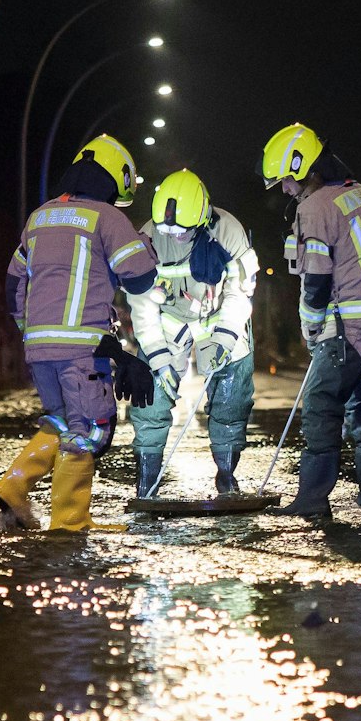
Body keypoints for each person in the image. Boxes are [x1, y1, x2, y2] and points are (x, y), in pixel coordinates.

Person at [0, 134, 159, 532]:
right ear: (115, 179)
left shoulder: (39, 216)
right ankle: (70, 521)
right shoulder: (108, 218)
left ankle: (13, 488)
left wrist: (31, 331)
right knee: (90, 429)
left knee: (60, 421)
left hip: (39, 346)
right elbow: (141, 278)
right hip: (82, 347)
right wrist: (146, 247)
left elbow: (13, 282)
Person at [260, 123, 361, 523]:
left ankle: (312, 498)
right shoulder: (360, 193)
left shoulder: (315, 207)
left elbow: (316, 279)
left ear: (306, 169)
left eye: (287, 181)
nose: (285, 190)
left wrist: (311, 328)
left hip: (352, 324)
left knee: (320, 406)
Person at [126, 168, 259, 497]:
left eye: (182, 229)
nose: (174, 235)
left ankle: (227, 476)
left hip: (218, 320)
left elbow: (239, 293)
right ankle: (146, 484)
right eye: (166, 228)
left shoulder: (227, 231)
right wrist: (157, 356)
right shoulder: (148, 236)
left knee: (231, 399)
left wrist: (225, 339)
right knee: (150, 400)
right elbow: (141, 302)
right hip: (169, 323)